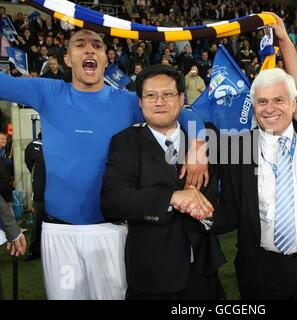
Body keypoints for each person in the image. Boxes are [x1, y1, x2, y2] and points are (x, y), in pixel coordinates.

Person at [0, 29, 208, 300]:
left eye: (97, 45)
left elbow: (188, 113)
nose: (89, 50)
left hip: (112, 230)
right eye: (80, 45)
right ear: (67, 58)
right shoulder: (47, 91)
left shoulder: (124, 100)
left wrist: (198, 147)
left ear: (105, 59)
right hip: (58, 231)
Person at [212, 67, 297, 300]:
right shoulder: (237, 149)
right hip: (261, 270)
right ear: (253, 107)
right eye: (262, 101)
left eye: (278, 100)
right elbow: (231, 211)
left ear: (294, 104)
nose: (269, 108)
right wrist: (204, 212)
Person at [101, 64, 226, 300]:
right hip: (152, 278)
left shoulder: (208, 143)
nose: (159, 101)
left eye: (167, 94)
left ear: (181, 99)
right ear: (140, 102)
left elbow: (227, 207)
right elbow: (112, 201)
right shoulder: (125, 142)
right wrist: (172, 198)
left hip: (204, 275)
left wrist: (207, 215)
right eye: (150, 95)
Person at [24, 132, 45, 261]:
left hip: (58, 192)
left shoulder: (58, 143)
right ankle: (35, 250)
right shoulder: (33, 146)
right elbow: (29, 165)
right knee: (38, 221)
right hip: (40, 191)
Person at [0, 132, 12, 206]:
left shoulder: (5, 150)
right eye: (2, 139)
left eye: (5, 139)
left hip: (6, 183)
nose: (5, 140)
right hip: (1, 182)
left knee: (9, 204)